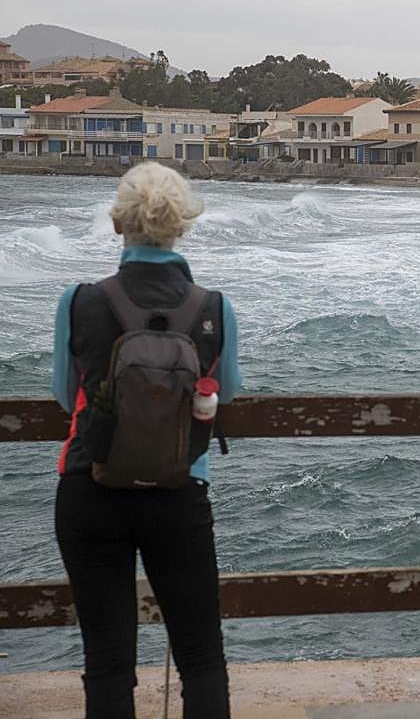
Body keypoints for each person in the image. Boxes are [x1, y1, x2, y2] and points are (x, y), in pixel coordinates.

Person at [51, 161, 241, 718]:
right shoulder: (213, 307)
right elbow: (224, 390)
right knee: (202, 655)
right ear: (181, 226)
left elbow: (66, 397)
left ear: (118, 225)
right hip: (178, 491)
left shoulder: (79, 299)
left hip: (91, 489)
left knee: (108, 660)